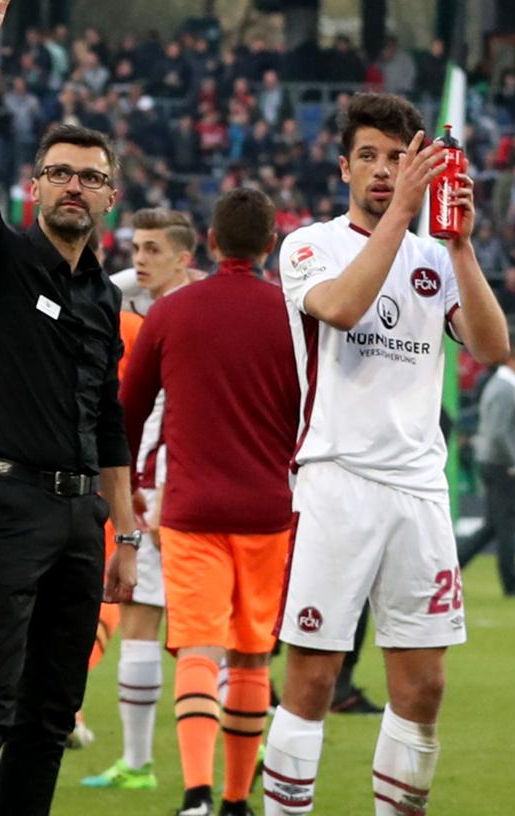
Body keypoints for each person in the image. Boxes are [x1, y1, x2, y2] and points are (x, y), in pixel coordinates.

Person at [263, 93, 510, 815]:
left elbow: (492, 347)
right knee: (312, 678)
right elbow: (340, 308)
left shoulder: (436, 258)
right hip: (334, 481)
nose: (383, 170)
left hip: (418, 492)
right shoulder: (309, 245)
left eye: (399, 157)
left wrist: (460, 245)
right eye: (368, 156)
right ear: (343, 166)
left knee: (423, 686)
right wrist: (403, 214)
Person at [0, 1, 139, 813]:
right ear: (34, 187)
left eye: (90, 177)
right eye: (59, 172)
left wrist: (124, 535)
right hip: (2, 500)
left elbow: (110, 422)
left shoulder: (99, 293)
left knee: (50, 713)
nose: (73, 186)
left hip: (78, 517)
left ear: (109, 201)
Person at [120, 188, 300, 816]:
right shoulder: (292, 313)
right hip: (268, 512)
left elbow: (130, 410)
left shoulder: (172, 313)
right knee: (251, 656)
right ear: (270, 245)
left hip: (191, 511)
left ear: (212, 244)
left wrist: (131, 489)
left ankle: (195, 794)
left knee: (198, 648)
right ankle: (235, 801)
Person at [82, 208, 198, 792]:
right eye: (135, 247)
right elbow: (97, 287)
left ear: (183, 257)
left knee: (204, 636)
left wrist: (170, 487)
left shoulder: (193, 316)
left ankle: (243, 747)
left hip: (180, 494)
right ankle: (137, 762)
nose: (139, 259)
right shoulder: (140, 307)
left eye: (153, 249)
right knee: (139, 619)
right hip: (147, 491)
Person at [458, 340, 515, 598]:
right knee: (505, 527)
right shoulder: (505, 390)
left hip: (494, 463)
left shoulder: (503, 386)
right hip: (501, 466)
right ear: (512, 360)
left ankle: (449, 567)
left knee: (493, 527)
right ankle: (511, 583)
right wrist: (514, 462)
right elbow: (498, 434)